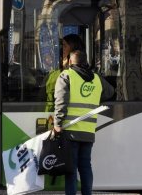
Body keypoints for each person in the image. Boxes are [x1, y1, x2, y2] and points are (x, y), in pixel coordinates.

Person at [53, 50, 114, 195]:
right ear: (85, 61)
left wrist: (57, 124)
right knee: (85, 166)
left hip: (71, 131)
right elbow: (110, 91)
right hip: (89, 130)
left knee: (71, 169)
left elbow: (61, 102)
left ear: (70, 61)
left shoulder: (66, 75)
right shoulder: (97, 78)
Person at [45, 34, 85, 112]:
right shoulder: (55, 73)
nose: (62, 49)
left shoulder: (81, 73)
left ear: (73, 49)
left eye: (65, 46)